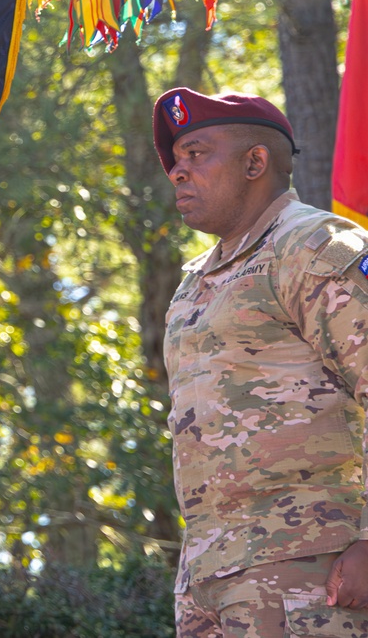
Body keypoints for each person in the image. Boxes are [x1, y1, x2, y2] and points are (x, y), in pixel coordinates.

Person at [154, 87, 368, 637]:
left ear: (256, 161)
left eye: (197, 153)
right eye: (175, 160)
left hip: (312, 567)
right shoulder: (194, 281)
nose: (178, 172)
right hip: (210, 573)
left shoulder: (314, 246)